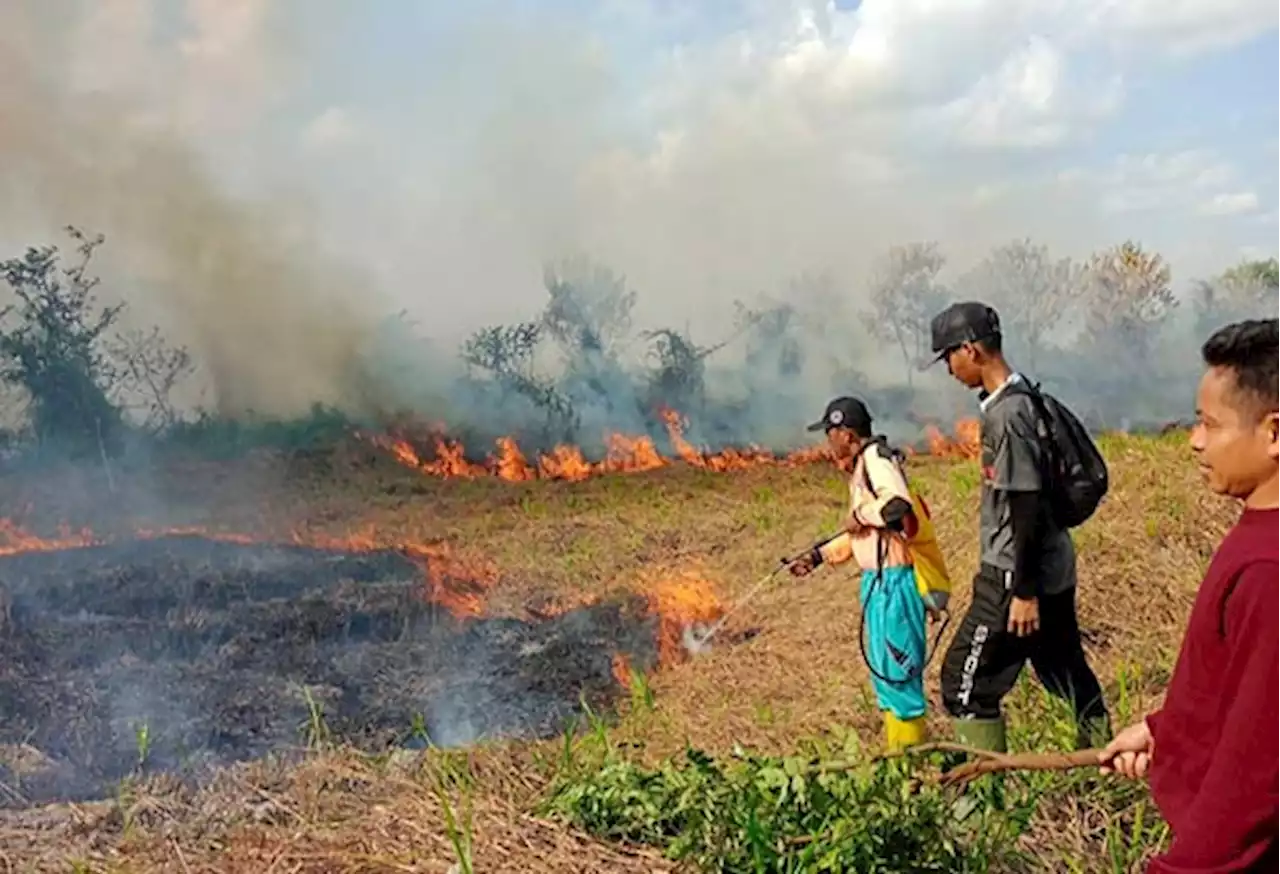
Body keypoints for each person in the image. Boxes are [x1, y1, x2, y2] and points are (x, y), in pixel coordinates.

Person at [1099, 319, 1280, 872]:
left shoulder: (1269, 572)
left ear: (1274, 433)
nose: (1194, 440)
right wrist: (1166, 732)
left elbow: (1255, 774)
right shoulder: (1258, 532)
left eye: (1209, 424)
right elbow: (1241, 692)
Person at [926, 301, 1109, 753]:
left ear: (970, 349)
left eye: (949, 356)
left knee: (964, 687)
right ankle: (1099, 760)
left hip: (1015, 574)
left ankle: (979, 804)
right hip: (1052, 564)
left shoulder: (1007, 415)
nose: (949, 369)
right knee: (1062, 668)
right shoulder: (1027, 395)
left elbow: (1023, 501)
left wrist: (1023, 593)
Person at [789, 396, 950, 752]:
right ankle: (899, 766)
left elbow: (897, 506)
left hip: (895, 585)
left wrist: (861, 515)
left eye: (830, 434)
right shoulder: (862, 468)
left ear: (846, 433)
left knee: (900, 679)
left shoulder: (876, 459)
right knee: (887, 683)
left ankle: (912, 774)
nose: (827, 443)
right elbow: (861, 535)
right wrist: (816, 557)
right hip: (877, 585)